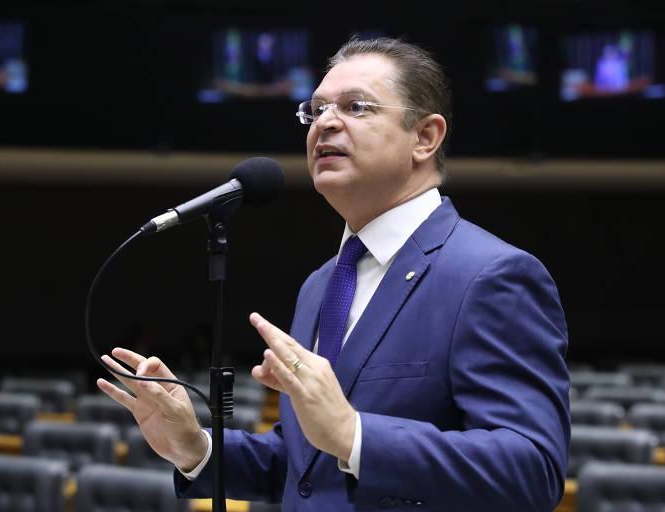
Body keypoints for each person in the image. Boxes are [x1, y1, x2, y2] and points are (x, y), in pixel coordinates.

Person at [97, 37, 570, 511]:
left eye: (356, 107)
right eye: (315, 109)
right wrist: (197, 448)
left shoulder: (492, 275)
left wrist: (354, 434)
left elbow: (532, 470)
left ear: (425, 137)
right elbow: (309, 468)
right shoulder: (324, 283)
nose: (324, 123)